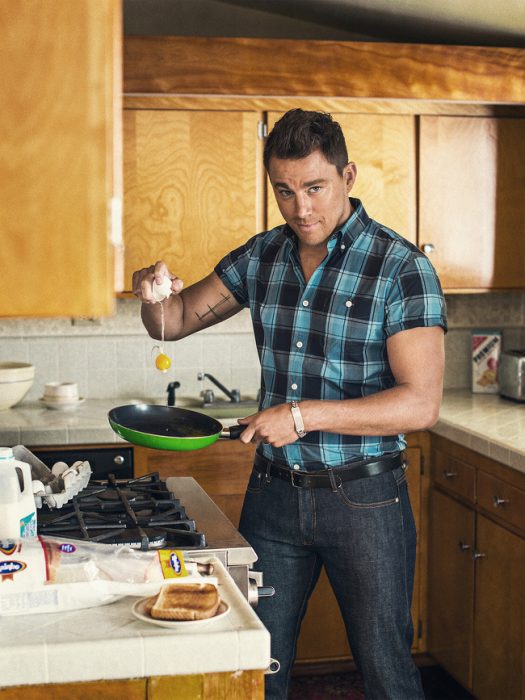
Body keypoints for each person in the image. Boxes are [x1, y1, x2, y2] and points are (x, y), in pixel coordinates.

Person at [132, 109, 447, 699]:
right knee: (254, 663)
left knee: (387, 672)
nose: (300, 208)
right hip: (274, 496)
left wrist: (301, 416)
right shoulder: (263, 257)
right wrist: (151, 295)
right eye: (284, 190)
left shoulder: (400, 269)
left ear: (347, 176)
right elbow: (171, 324)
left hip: (367, 501)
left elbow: (421, 404)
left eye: (314, 187)